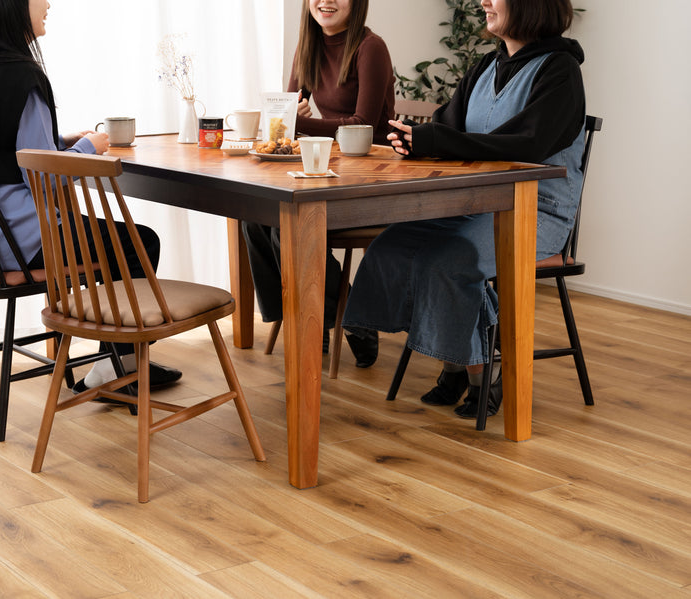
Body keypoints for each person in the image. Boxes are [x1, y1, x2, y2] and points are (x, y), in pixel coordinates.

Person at [343, 0, 586, 419]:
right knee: (392, 245)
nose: (482, 2)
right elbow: (447, 128)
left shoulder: (560, 71)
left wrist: (437, 140)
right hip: (472, 202)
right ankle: (455, 360)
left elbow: (526, 145)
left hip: (533, 212)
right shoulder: (484, 67)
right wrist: (414, 138)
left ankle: (480, 373)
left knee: (450, 258)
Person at [0, 0, 181, 399]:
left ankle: (113, 359)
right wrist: (88, 147)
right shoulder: (24, 76)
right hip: (26, 245)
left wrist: (60, 142)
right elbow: (43, 176)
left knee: (116, 242)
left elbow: (6, 152)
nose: (48, 3)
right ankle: (118, 365)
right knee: (139, 243)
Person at [242, 0, 394, 367]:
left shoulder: (370, 48)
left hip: (372, 177)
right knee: (253, 214)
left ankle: (330, 320)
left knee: (288, 227)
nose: (325, 1)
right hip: (327, 169)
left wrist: (300, 122)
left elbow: (363, 125)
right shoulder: (308, 46)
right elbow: (290, 113)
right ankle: (308, 316)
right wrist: (292, 117)